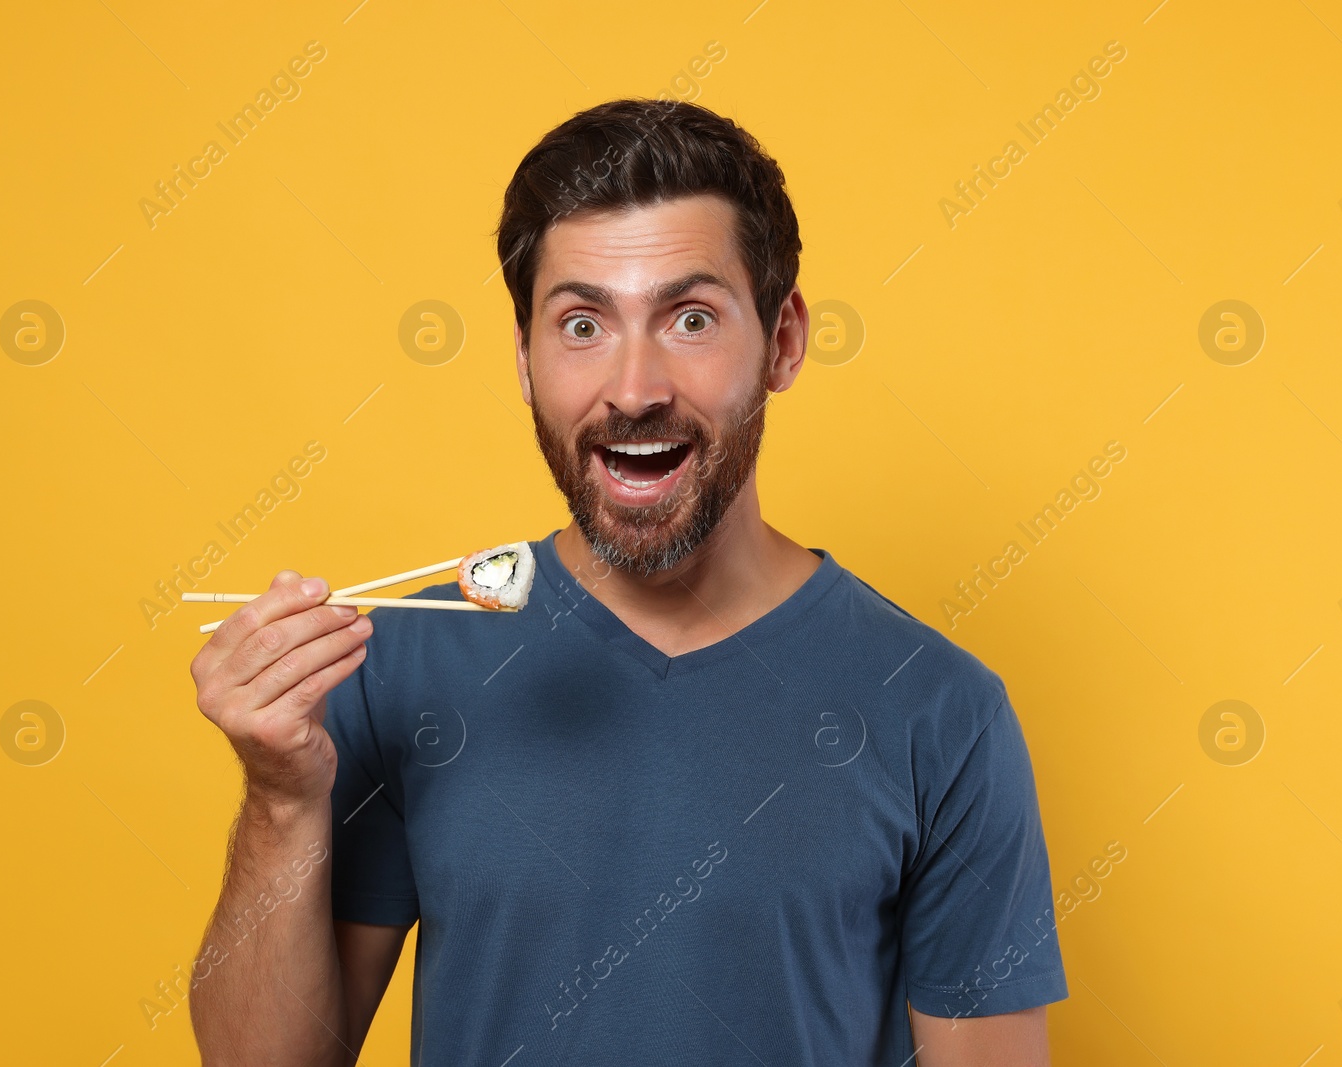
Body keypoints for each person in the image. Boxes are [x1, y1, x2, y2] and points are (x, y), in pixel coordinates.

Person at [188, 98, 1067, 1066]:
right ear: (522, 357)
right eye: (581, 324)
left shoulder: (940, 710)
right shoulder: (399, 666)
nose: (635, 385)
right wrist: (279, 797)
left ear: (781, 340)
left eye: (690, 318)